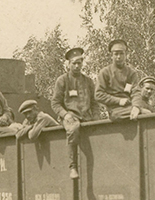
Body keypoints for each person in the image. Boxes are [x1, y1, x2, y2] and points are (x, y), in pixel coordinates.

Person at [51, 47, 102, 178]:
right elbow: (55, 103)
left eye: (79, 62)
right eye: (74, 63)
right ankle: (72, 167)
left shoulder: (88, 81)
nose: (77, 66)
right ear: (68, 64)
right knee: (73, 129)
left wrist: (96, 117)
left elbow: (95, 103)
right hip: (70, 117)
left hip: (87, 117)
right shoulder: (62, 80)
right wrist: (65, 115)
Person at [94, 39, 142, 120]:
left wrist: (136, 106)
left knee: (148, 113)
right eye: (116, 54)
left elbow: (136, 91)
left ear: (126, 55)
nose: (119, 57)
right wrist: (118, 101)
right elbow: (98, 94)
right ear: (111, 56)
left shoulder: (131, 72)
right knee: (143, 114)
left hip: (130, 106)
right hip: (114, 110)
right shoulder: (105, 72)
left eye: (121, 53)